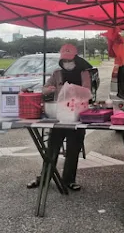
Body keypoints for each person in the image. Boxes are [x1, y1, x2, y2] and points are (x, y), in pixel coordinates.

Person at [27, 44, 93, 191]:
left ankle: (69, 180)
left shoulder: (84, 73)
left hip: (77, 116)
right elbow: (44, 89)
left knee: (73, 148)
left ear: (75, 59)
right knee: (52, 147)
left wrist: (73, 89)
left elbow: (88, 92)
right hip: (60, 115)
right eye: (64, 60)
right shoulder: (57, 73)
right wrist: (49, 89)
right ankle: (45, 177)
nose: (67, 63)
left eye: (69, 60)